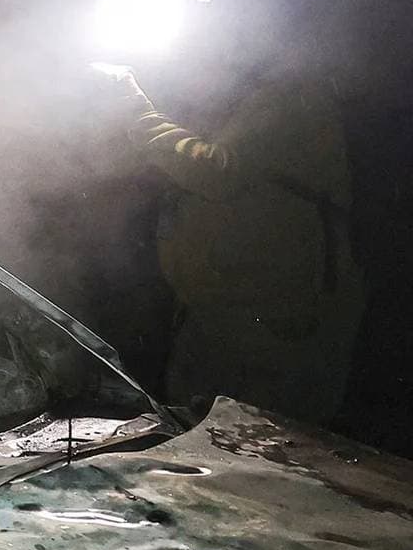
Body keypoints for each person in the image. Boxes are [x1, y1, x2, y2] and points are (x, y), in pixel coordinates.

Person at [110, 68, 363, 421]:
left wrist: (132, 105)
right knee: (191, 436)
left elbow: (215, 171)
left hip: (279, 321)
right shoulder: (238, 99)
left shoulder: (292, 98)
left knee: (264, 445)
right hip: (216, 313)